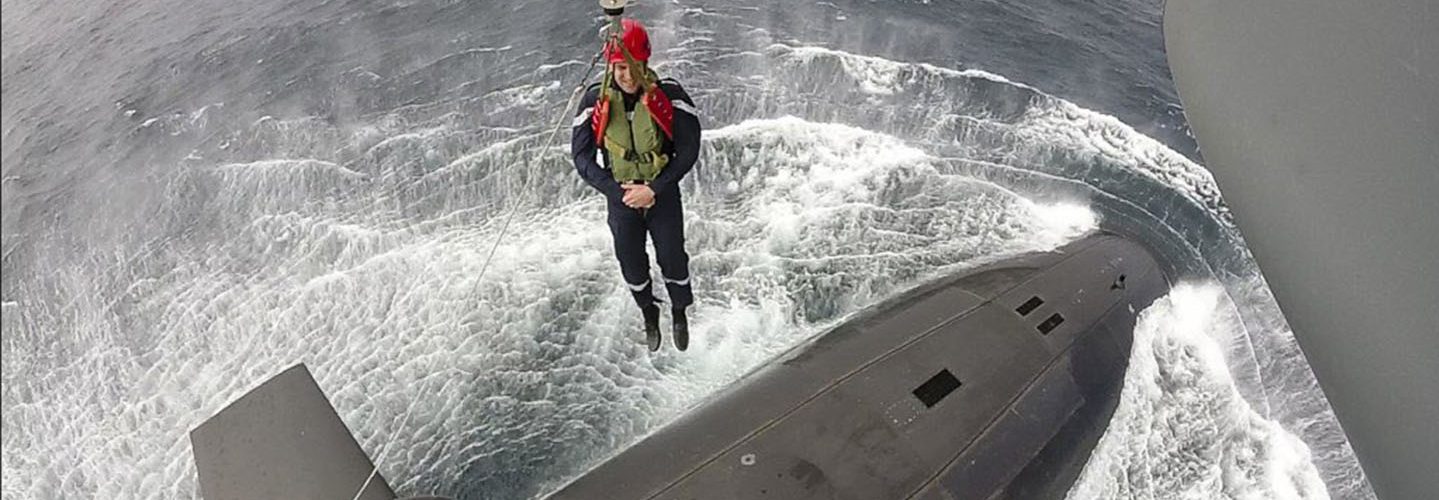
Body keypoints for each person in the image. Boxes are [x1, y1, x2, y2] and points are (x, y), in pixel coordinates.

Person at [571, 19, 701, 352]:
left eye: (633, 67)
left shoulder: (670, 95)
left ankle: (679, 311)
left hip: (660, 191)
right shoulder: (593, 101)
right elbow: (582, 157)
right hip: (622, 196)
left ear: (645, 63)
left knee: (673, 256)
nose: (627, 76)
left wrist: (654, 188)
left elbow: (688, 150)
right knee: (630, 260)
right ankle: (648, 310)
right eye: (619, 68)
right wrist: (618, 192)